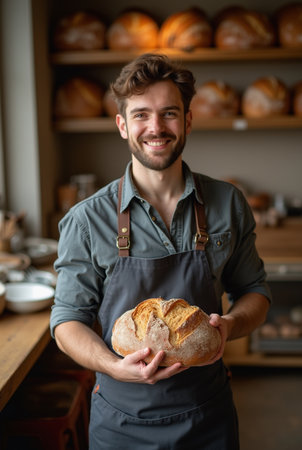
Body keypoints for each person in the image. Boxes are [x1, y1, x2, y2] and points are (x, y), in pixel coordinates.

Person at [50, 53, 271, 450]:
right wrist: (113, 367)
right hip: (121, 426)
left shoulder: (226, 203)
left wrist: (232, 327)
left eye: (169, 113)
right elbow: (67, 321)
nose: (156, 128)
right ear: (122, 125)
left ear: (187, 120)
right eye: (140, 115)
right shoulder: (87, 219)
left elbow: (255, 290)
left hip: (209, 420)